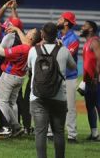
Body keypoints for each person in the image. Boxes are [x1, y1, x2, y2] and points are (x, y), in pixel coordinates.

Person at [27, 22, 76, 158]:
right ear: (56, 35)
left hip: (37, 97)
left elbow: (30, 68)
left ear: (42, 34)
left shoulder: (33, 50)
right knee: (59, 132)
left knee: (40, 132)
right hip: (59, 97)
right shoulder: (63, 50)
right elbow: (73, 67)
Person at [0, 26, 41, 137]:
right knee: (12, 103)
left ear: (32, 38)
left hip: (9, 76)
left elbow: (1, 52)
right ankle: (16, 128)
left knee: (2, 102)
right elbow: (25, 42)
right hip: (20, 77)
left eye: (30, 32)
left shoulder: (23, 48)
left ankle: (16, 127)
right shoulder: (32, 49)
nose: (27, 32)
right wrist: (17, 29)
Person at [49, 11, 80, 142]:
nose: (58, 20)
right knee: (51, 105)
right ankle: (50, 133)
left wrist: (58, 45)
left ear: (66, 22)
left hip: (69, 78)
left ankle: (72, 135)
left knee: (70, 107)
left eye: (61, 18)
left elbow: (67, 56)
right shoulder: (54, 35)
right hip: (55, 76)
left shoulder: (74, 39)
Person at [80, 20, 100, 141]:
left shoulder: (95, 42)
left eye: (84, 26)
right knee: (90, 106)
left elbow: (99, 60)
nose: (82, 28)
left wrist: (96, 77)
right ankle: (94, 134)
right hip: (88, 81)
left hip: (96, 81)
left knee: (98, 106)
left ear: (91, 29)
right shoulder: (88, 42)